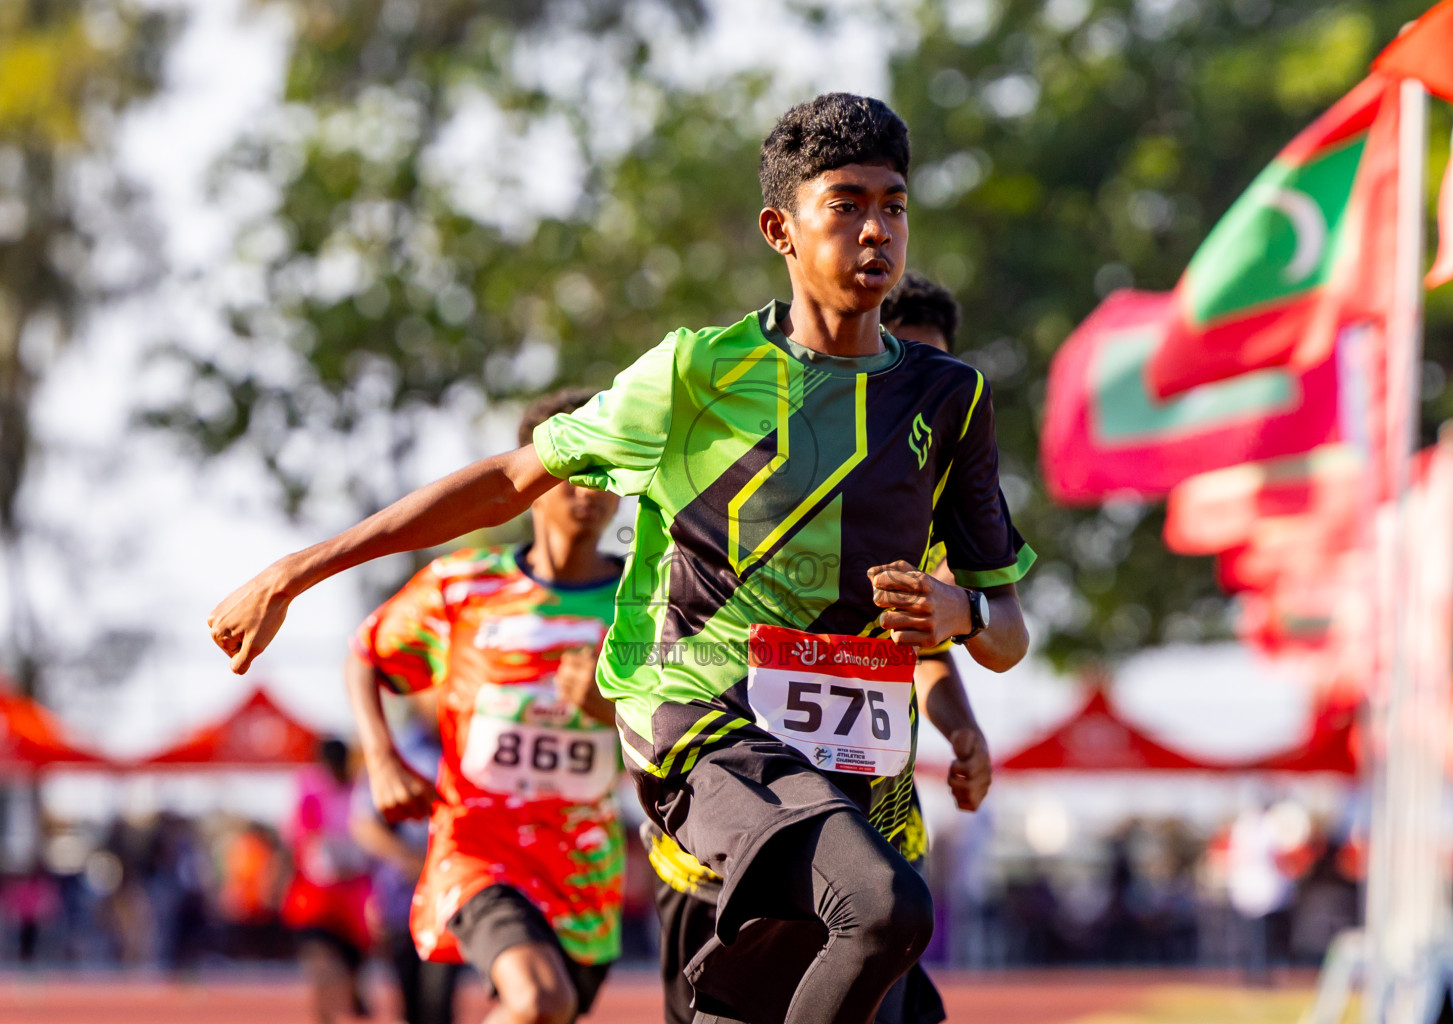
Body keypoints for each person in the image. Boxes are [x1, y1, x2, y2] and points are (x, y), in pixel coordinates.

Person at [209, 92, 1033, 1024]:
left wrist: (963, 619)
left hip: (853, 762)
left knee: (863, 979)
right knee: (884, 910)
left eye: (894, 204)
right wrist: (296, 570)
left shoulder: (952, 400)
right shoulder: (695, 373)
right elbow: (506, 479)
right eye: (845, 204)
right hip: (698, 718)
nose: (877, 229)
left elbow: (1005, 631)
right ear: (782, 229)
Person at [644, 274, 992, 1024]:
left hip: (872, 822)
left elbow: (933, 648)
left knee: (879, 928)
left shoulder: (934, 507)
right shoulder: (760, 476)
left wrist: (962, 727)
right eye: (905, 370)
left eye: (935, 380)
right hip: (723, 850)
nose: (916, 403)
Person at [345, 388, 627, 1024]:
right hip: (478, 848)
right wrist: (381, 759)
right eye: (574, 473)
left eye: (608, 475)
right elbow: (365, 653)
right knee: (538, 1000)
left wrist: (614, 711)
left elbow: (680, 726)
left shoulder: (646, 601)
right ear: (530, 478)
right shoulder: (464, 586)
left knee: (542, 1010)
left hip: (583, 867)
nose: (591, 491)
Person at [349, 700, 463, 1024]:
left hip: (453, 897)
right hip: (402, 902)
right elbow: (364, 824)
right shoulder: (396, 750)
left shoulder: (470, 748)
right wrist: (411, 859)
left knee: (440, 999)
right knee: (410, 1001)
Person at [283, 736, 374, 1024]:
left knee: (350, 963)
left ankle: (353, 987)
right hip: (316, 896)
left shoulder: (360, 790)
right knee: (321, 964)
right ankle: (324, 1016)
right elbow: (296, 837)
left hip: (353, 898)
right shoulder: (307, 788)